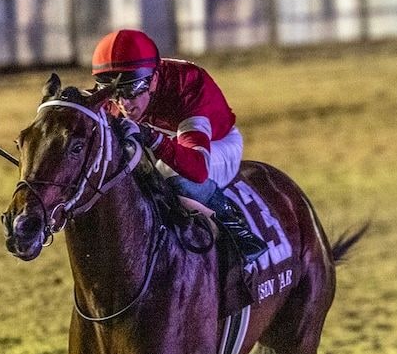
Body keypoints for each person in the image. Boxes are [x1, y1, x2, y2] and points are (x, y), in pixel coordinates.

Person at [90, 29, 267, 262]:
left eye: (132, 90)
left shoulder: (187, 86)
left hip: (215, 146)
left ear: (153, 79)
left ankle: (238, 230)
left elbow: (197, 169)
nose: (123, 104)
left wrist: (151, 137)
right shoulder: (120, 96)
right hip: (169, 147)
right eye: (113, 92)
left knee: (171, 175)